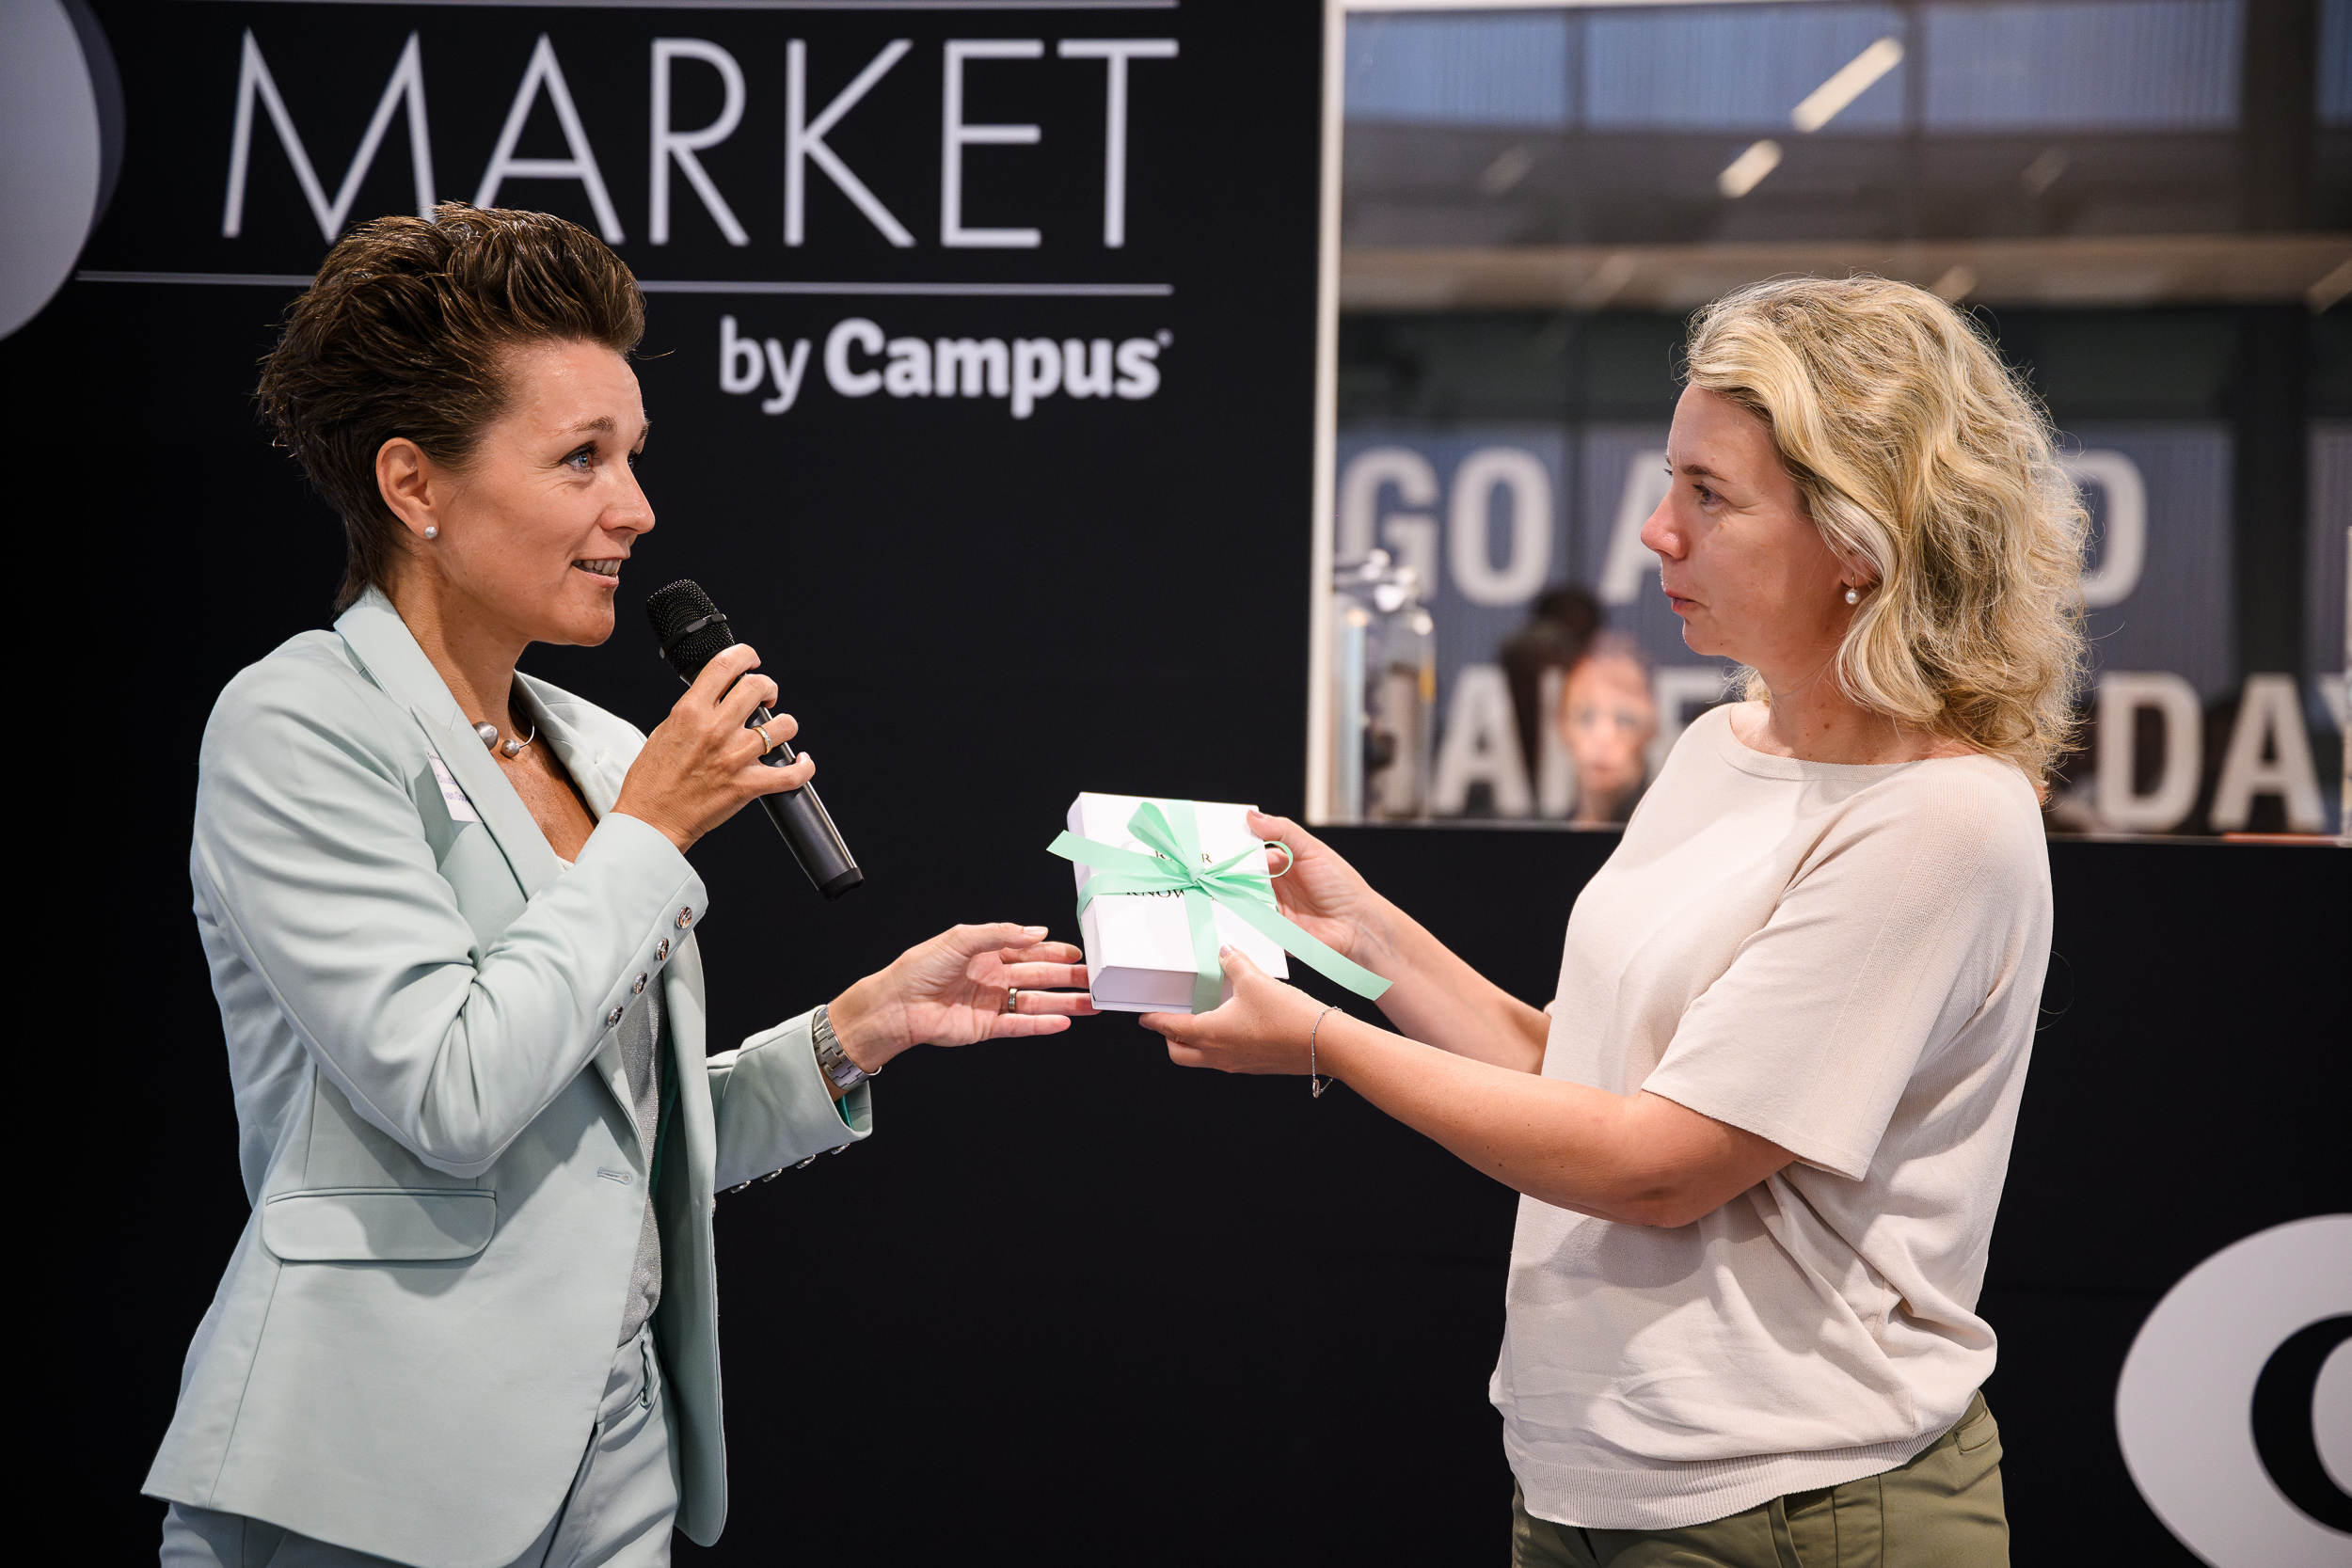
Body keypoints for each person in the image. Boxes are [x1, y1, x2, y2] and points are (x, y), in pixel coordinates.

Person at [146, 205, 1096, 1566]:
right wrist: (649, 834)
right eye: (580, 458)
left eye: (633, 456)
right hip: (367, 1481)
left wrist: (853, 1031)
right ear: (414, 485)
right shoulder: (297, 721)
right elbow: (454, 1091)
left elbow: (606, 1147)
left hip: (614, 1465)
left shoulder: (595, 747)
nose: (635, 509)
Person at [1147, 276, 2086, 1567]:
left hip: (1801, 1513)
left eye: (1711, 493)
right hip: (1592, 1491)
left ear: (1858, 538)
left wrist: (1323, 1038)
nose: (1656, 531)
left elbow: (1657, 1162)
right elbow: (1580, 1070)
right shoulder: (1718, 746)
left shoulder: (1941, 819)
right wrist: (1362, 931)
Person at [1556, 633, 1657, 826]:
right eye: (1585, 716)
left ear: (1651, 729)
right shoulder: (1541, 847)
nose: (1604, 736)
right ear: (1561, 724)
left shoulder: (1674, 844)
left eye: (1625, 719)